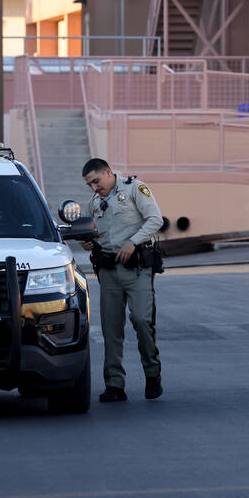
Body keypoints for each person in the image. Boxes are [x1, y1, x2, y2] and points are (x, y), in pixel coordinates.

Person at [80, 158, 164, 402]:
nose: (94, 187)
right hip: (108, 271)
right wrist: (88, 241)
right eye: (90, 185)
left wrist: (133, 241)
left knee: (141, 320)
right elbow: (96, 233)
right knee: (111, 329)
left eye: (96, 181)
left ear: (108, 172)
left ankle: (152, 372)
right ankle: (115, 385)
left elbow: (155, 219)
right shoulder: (94, 202)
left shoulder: (134, 188)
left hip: (136, 268)